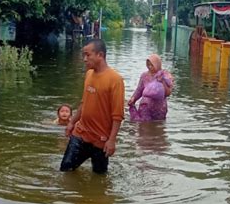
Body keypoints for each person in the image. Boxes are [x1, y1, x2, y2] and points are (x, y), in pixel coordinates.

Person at [60, 39, 125, 174]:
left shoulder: (115, 80)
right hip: (81, 133)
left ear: (100, 55)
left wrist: (112, 140)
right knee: (65, 170)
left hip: (100, 140)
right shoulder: (89, 74)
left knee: (99, 177)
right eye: (84, 55)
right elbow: (84, 103)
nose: (84, 59)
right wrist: (72, 122)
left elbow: (117, 115)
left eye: (88, 55)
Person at [128, 54, 173, 122]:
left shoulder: (164, 75)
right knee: (144, 128)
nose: (150, 67)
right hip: (145, 107)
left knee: (158, 129)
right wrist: (133, 99)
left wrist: (162, 81)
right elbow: (139, 90)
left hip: (159, 109)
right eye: (148, 65)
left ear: (157, 65)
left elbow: (168, 93)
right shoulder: (144, 76)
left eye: (152, 65)